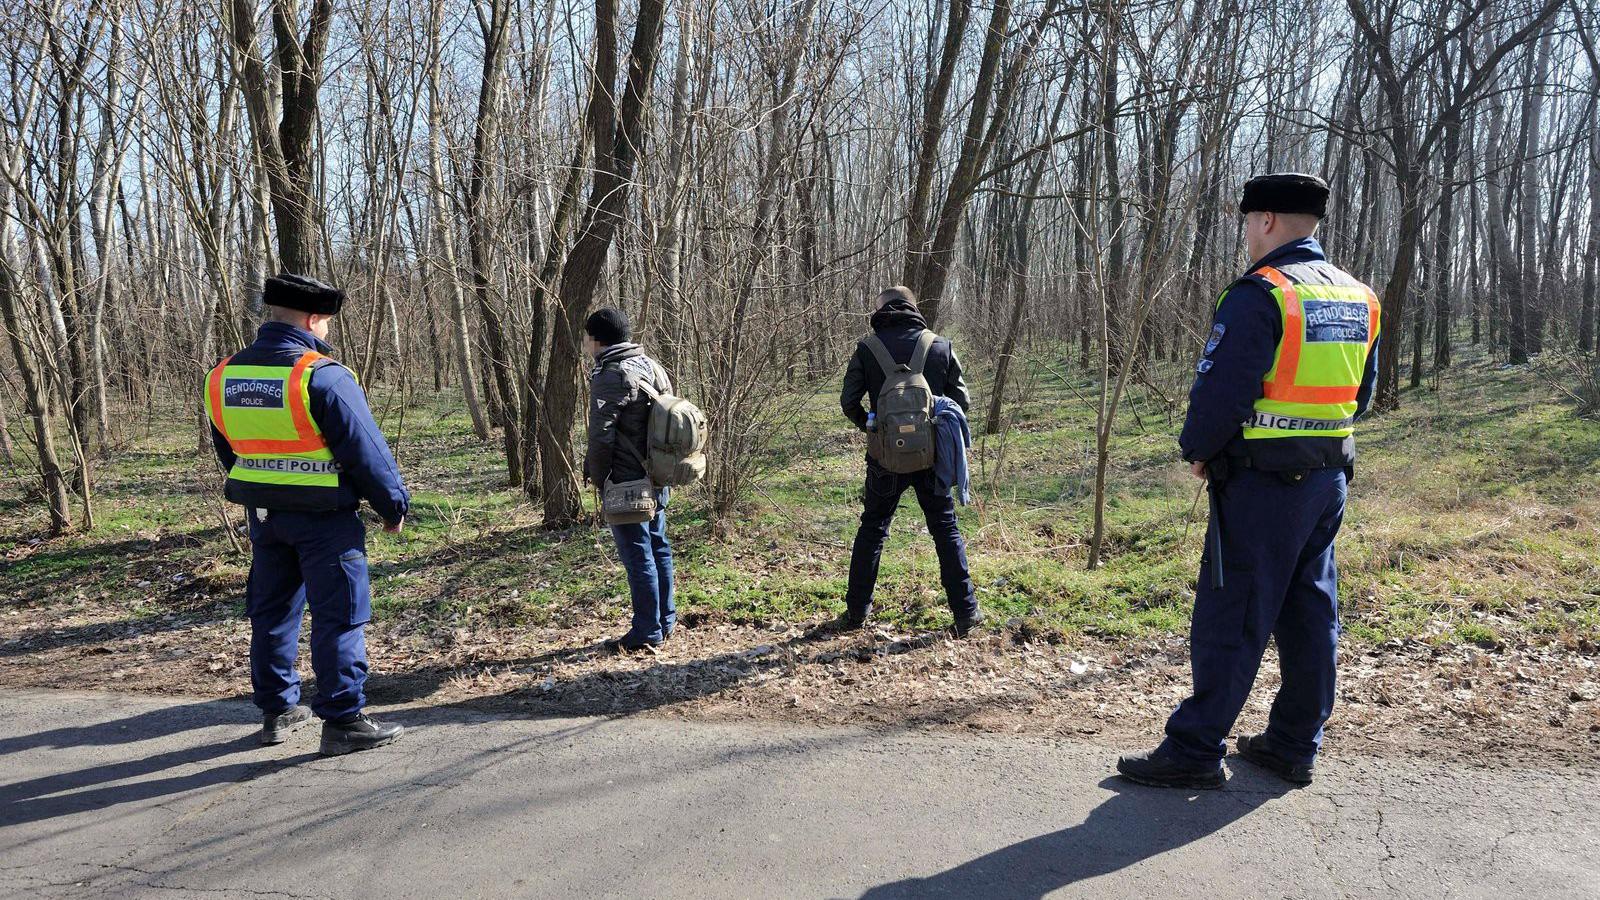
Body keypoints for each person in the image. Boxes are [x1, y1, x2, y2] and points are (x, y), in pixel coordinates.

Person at [1117, 173, 1381, 789]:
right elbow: (1359, 395)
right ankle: (1293, 743)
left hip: (1263, 485)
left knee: (1233, 611)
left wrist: (1200, 450)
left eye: (1245, 221)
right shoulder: (1358, 296)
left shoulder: (1262, 294)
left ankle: (1195, 749)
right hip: (1327, 478)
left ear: (1264, 220)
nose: (1244, 233)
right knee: (1310, 610)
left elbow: (1222, 391)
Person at [205, 273, 410, 755]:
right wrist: (392, 505)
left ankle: (278, 711)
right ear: (314, 318)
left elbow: (229, 448)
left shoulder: (223, 375)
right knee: (339, 616)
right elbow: (365, 451)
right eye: (326, 324)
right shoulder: (321, 375)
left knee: (272, 613)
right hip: (325, 519)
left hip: (264, 516)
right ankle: (343, 721)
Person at [838, 285, 982, 637]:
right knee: (945, 528)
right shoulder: (940, 346)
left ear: (881, 309)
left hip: (885, 458)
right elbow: (962, 403)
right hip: (932, 458)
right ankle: (966, 613)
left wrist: (872, 427)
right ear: (913, 308)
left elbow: (848, 401)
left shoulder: (867, 349)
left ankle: (856, 614)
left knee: (873, 529)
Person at [582, 307, 677, 652]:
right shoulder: (651, 366)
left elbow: (601, 435)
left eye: (587, 337)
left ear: (595, 339)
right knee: (658, 548)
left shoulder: (610, 373)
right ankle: (665, 622)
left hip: (627, 482)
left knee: (639, 555)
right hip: (657, 472)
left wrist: (597, 475)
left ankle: (647, 631)